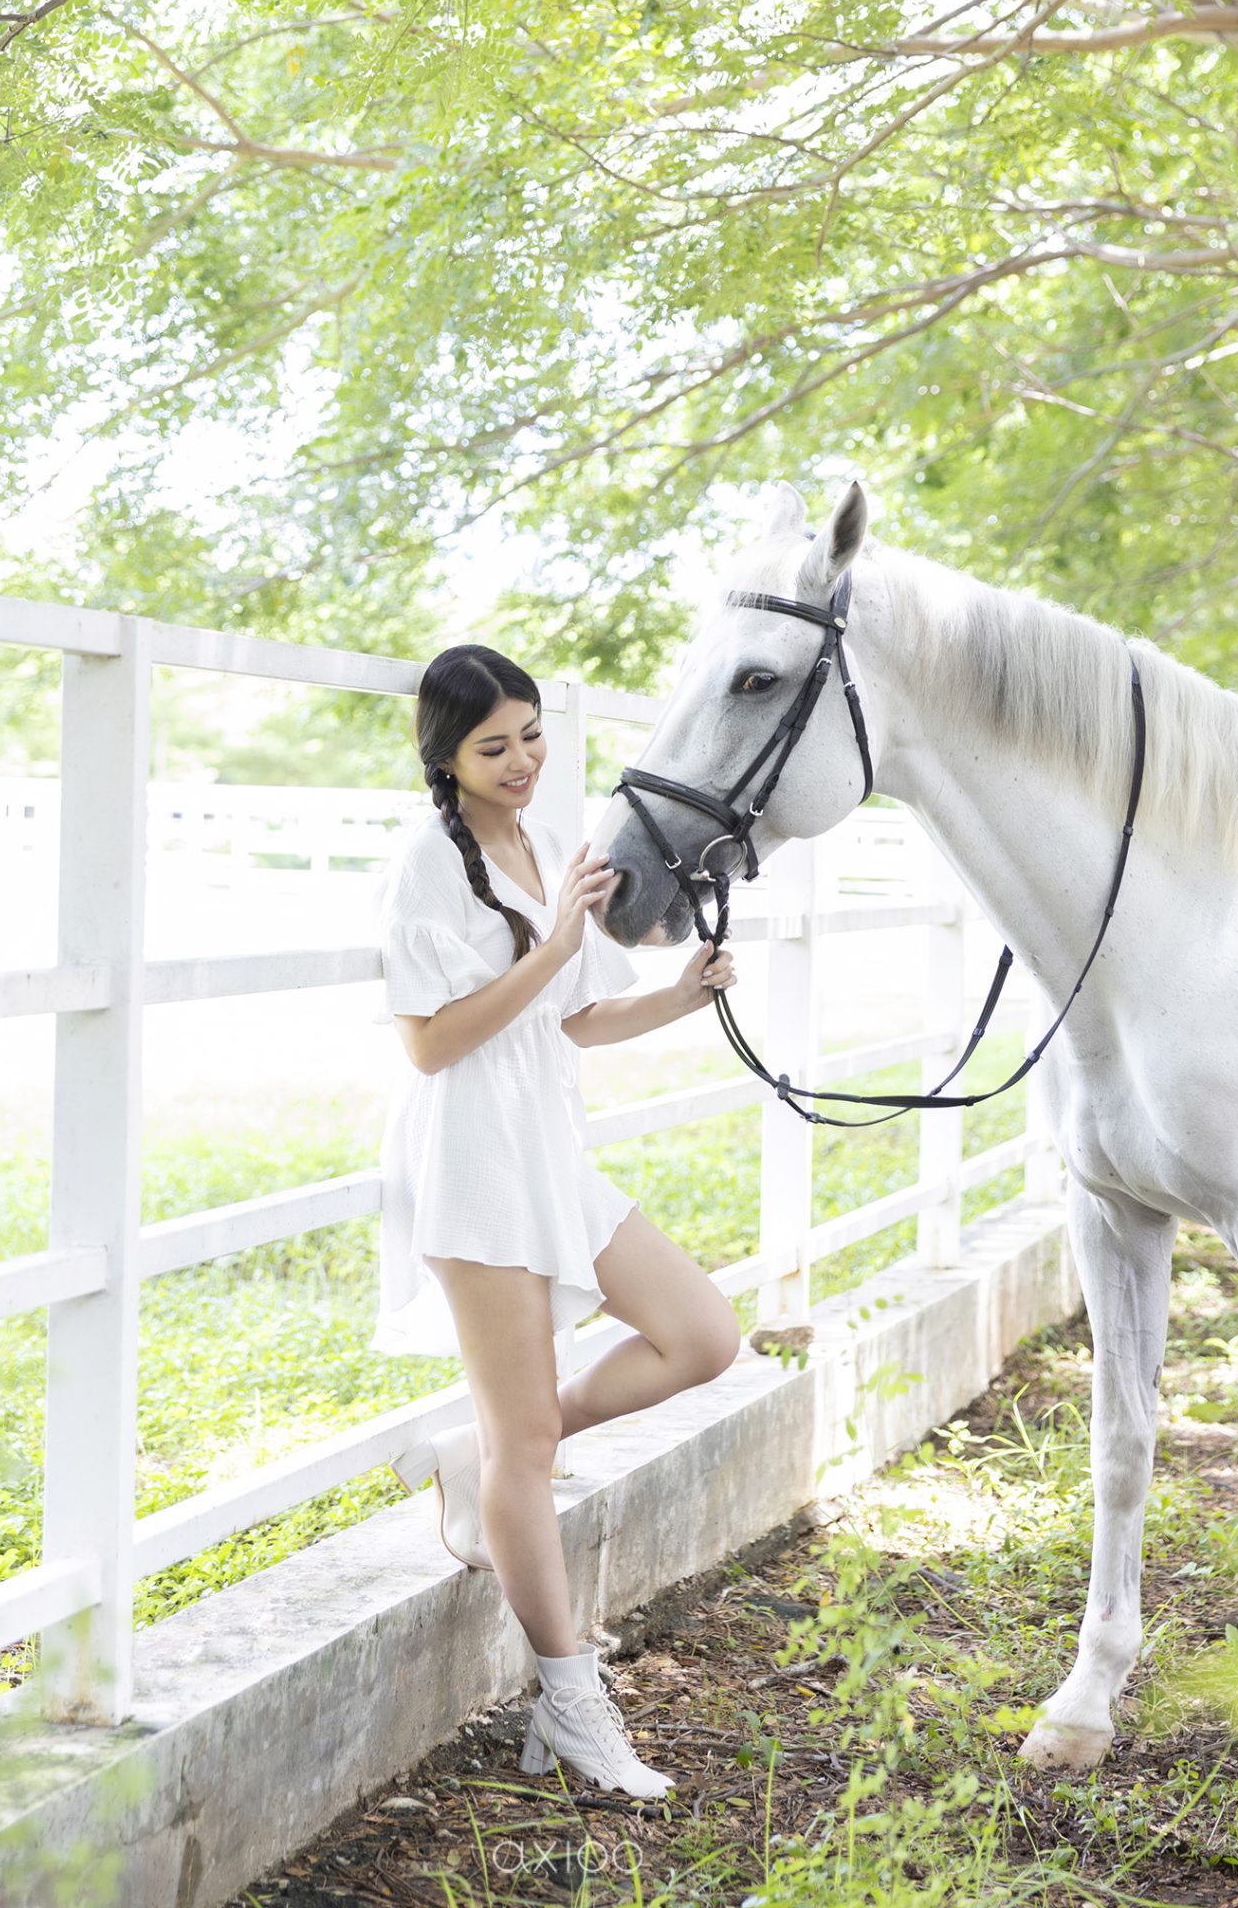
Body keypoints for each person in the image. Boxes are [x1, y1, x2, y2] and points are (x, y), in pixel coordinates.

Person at [373, 642, 743, 1799]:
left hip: (548, 1154)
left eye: (532, 734)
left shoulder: (542, 841)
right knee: (527, 1447)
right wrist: (558, 947)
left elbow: (574, 1022)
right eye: (494, 746)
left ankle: (486, 1457)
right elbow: (431, 1042)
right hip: (473, 1167)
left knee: (703, 1335)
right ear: (447, 756)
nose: (523, 759)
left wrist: (678, 997)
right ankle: (571, 1701)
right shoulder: (427, 863)